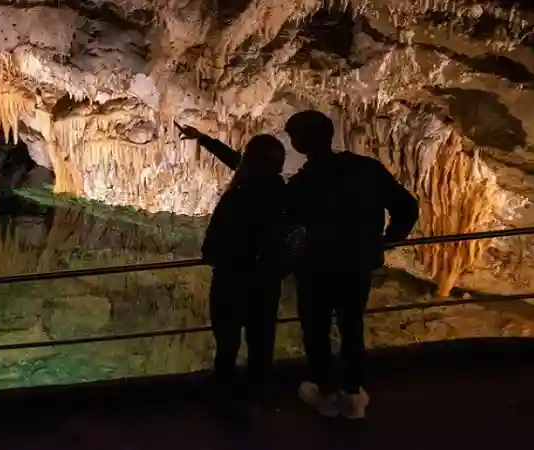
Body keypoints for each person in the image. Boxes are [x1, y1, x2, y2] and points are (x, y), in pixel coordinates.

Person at [283, 110, 419, 420]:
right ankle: (354, 394)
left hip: (315, 270)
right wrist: (389, 238)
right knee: (351, 325)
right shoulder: (366, 170)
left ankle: (326, 393)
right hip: (356, 264)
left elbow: (286, 225)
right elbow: (406, 206)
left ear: (301, 144)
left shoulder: (302, 184)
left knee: (315, 329)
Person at [177, 124, 292, 409]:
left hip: (233, 280)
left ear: (251, 162)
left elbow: (217, 240)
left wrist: (211, 255)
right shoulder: (282, 193)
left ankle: (226, 397)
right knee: (261, 339)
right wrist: (203, 139)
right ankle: (258, 391)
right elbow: (236, 160)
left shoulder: (240, 197)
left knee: (227, 341)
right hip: (266, 282)